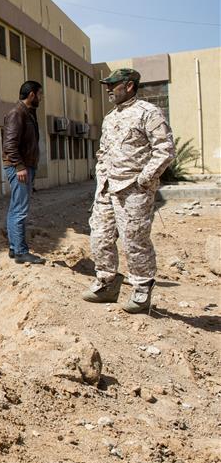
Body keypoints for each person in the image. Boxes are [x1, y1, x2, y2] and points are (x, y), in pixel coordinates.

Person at [82, 68, 175, 313]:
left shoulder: (149, 113)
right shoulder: (110, 117)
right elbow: (103, 152)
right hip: (107, 188)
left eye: (113, 85)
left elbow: (165, 149)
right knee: (100, 237)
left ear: (130, 85)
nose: (108, 89)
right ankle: (106, 284)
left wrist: (144, 179)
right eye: (107, 85)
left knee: (134, 240)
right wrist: (100, 175)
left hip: (133, 190)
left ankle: (142, 289)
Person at [3, 80, 45, 264]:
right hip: (20, 168)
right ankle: (20, 251)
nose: (41, 98)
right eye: (40, 94)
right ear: (32, 95)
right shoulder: (17, 114)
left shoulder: (28, 113)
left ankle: (14, 248)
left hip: (24, 166)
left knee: (15, 208)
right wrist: (19, 167)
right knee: (20, 210)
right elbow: (10, 145)